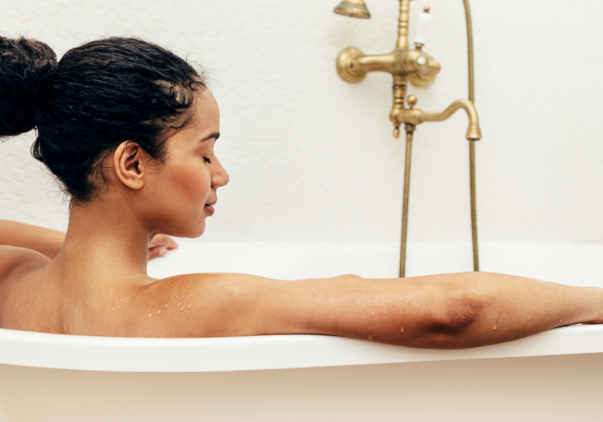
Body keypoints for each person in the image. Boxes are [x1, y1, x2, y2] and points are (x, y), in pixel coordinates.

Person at [0, 36, 601, 347]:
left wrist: (65, 245)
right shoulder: (199, 306)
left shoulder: (12, 281)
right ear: (132, 162)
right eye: (205, 151)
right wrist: (591, 300)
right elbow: (454, 309)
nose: (220, 173)